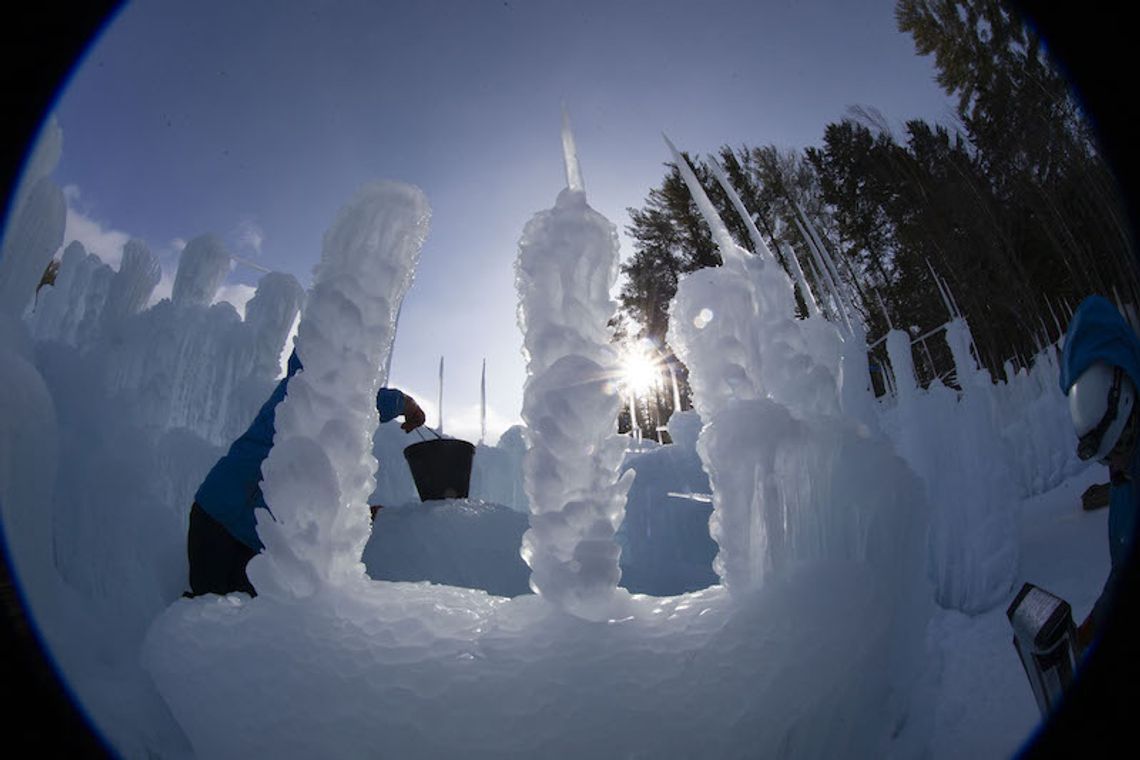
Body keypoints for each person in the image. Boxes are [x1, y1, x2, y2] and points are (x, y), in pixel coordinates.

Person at [185, 350, 426, 597]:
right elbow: (354, 400)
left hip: (256, 539)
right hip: (219, 517)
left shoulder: (331, 429)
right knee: (207, 610)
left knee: (233, 620)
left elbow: (324, 482)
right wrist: (403, 403)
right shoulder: (301, 389)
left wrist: (355, 515)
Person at [1059, 295, 1140, 653]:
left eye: (1120, 450)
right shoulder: (1126, 477)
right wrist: (1093, 625)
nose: (1115, 468)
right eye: (1106, 461)